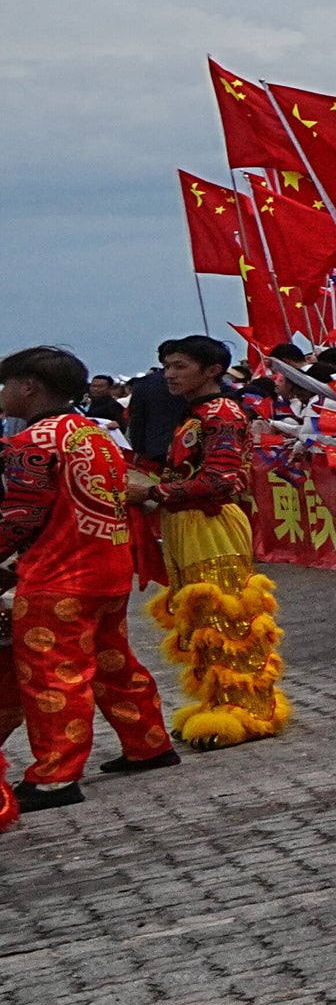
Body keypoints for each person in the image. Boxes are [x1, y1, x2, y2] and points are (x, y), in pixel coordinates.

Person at [0, 349, 172, 818]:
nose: (3, 394)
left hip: (57, 578)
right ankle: (149, 743)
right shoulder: (91, 433)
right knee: (114, 662)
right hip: (108, 567)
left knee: (53, 677)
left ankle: (55, 777)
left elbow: (20, 518)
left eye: (6, 385)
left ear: (30, 386)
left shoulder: (32, 443)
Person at [136, 335, 279, 731]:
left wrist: (150, 492)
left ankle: (250, 711)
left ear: (212, 370)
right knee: (202, 622)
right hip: (188, 522)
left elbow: (220, 480)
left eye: (180, 366)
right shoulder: (196, 413)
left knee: (228, 619)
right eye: (167, 366)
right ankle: (220, 702)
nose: (170, 374)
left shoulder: (221, 413)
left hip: (211, 522)